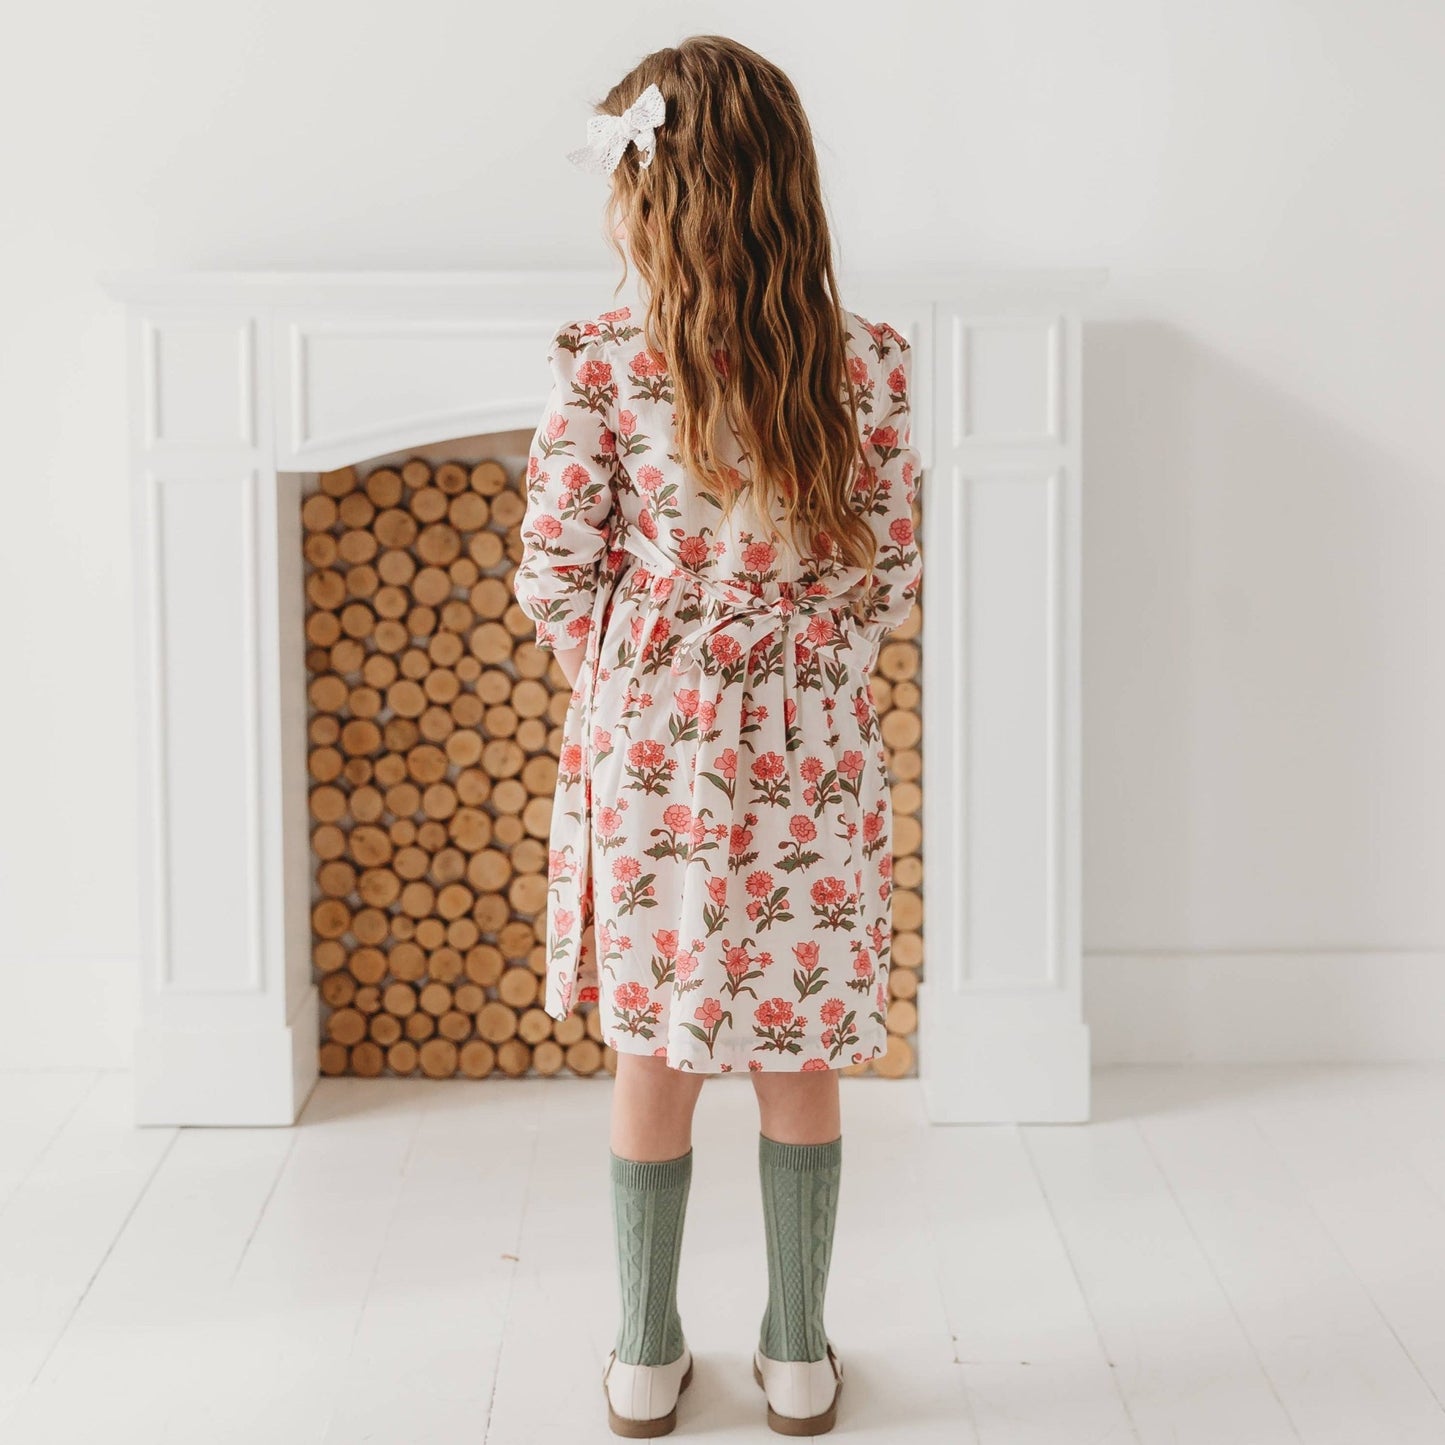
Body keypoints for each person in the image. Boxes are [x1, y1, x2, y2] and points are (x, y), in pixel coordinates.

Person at [514, 35, 922, 1439]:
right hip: (811, 740)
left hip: (649, 752)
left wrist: (643, 677)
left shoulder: (597, 365)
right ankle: (798, 1355)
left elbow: (553, 573)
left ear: (647, 192)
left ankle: (641, 1355)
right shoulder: (869, 364)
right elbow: (888, 576)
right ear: (784, 188)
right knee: (795, 1049)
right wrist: (794, 668)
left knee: (658, 1052)